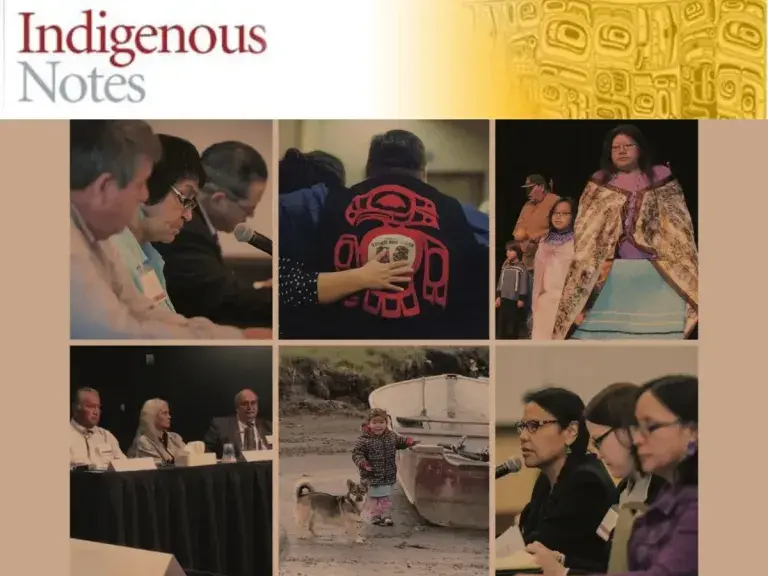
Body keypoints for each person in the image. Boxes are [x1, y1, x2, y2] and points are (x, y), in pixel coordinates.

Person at [70, 120, 256, 339]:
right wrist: (237, 338)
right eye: (140, 185)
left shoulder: (101, 240)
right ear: (104, 186)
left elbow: (144, 311)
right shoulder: (72, 247)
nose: (144, 196)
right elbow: (119, 332)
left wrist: (235, 337)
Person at [303, 129, 489, 339]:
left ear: (368, 169)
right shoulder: (459, 213)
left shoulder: (325, 205)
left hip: (347, 337)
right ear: (423, 173)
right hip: (431, 339)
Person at [528, 374, 698, 576]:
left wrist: (564, 574)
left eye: (650, 427)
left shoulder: (682, 499)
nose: (638, 439)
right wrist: (564, 562)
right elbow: (611, 564)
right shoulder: (627, 490)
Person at [554, 124, 698, 340]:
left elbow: (678, 223)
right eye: (615, 148)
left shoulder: (660, 176)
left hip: (657, 272)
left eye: (627, 145)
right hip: (612, 273)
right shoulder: (600, 181)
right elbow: (587, 228)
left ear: (640, 148)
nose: (621, 151)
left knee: (656, 337)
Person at [153, 141, 272, 329]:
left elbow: (216, 284)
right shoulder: (184, 229)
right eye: (248, 208)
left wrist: (261, 288)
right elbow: (218, 302)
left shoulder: (198, 225)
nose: (250, 216)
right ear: (219, 200)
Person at [516, 387, 618, 573]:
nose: (523, 436)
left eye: (534, 426)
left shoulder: (586, 484)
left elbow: (540, 546)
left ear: (570, 432)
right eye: (522, 427)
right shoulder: (546, 480)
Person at [111, 134, 202, 311]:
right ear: (146, 184)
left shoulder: (149, 256)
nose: (188, 216)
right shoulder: (111, 257)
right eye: (184, 198)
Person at [351, 408, 418, 526]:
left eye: (381, 422)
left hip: (388, 474)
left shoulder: (391, 436)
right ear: (369, 424)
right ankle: (375, 516)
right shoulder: (364, 440)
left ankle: (386, 515)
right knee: (374, 498)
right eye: (374, 422)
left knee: (385, 497)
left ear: (387, 423)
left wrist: (408, 442)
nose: (378, 426)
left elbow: (400, 442)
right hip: (371, 476)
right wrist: (363, 463)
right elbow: (357, 454)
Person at [531, 198, 576, 340]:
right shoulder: (544, 241)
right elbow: (537, 280)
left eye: (564, 213)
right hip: (544, 304)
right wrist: (535, 306)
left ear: (573, 216)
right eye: (555, 213)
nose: (558, 217)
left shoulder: (578, 242)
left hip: (566, 305)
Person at [204, 389, 273, 458]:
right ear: (237, 408)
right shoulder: (221, 426)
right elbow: (206, 450)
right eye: (245, 404)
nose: (250, 407)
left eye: (253, 403)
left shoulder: (268, 425)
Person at [70, 387, 126, 468]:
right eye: (90, 406)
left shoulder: (106, 436)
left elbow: (124, 466)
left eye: (98, 407)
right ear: (75, 409)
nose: (96, 412)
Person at [128, 398, 186, 464]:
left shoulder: (175, 437)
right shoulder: (144, 441)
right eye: (164, 413)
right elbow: (156, 467)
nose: (169, 417)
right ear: (152, 416)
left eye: (168, 413)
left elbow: (189, 458)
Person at [496, 241, 528, 339]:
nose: (508, 253)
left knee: (513, 323)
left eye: (511, 250)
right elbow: (501, 282)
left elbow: (523, 284)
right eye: (507, 251)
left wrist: (521, 298)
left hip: (514, 300)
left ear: (517, 252)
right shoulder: (505, 267)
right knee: (502, 322)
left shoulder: (521, 268)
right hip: (504, 298)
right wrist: (498, 296)